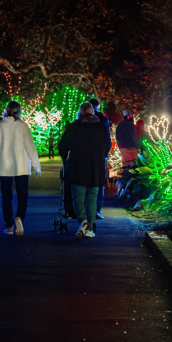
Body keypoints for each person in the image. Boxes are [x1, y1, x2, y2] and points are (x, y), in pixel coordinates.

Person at [0, 101, 41, 236]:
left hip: (4, 167)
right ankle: (19, 218)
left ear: (6, 111)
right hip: (21, 166)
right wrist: (36, 166)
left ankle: (9, 226)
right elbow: (31, 148)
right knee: (22, 195)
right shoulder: (23, 126)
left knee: (6, 196)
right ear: (18, 111)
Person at [58, 102, 111, 239]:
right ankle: (89, 227)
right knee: (92, 197)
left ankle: (83, 222)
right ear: (93, 112)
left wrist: (65, 159)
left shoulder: (74, 128)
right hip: (96, 167)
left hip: (78, 167)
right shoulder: (100, 128)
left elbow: (63, 145)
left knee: (78, 197)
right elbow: (107, 146)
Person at [89, 98, 110, 219]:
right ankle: (97, 208)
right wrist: (106, 152)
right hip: (100, 154)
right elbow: (107, 138)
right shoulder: (103, 119)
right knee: (100, 180)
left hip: (86, 154)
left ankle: (88, 207)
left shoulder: (82, 119)